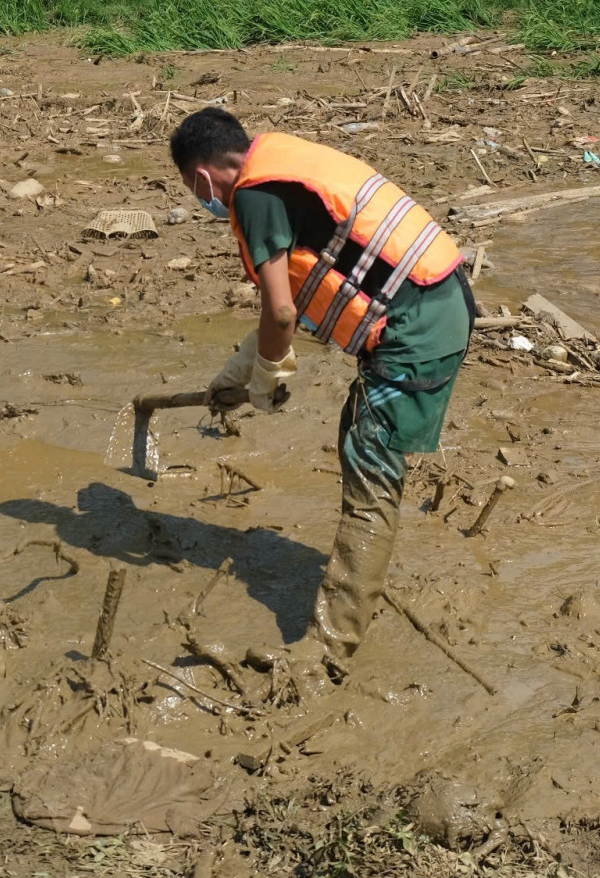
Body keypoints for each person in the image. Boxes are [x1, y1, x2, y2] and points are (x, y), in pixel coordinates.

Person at [168, 107, 474, 660]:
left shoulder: (253, 198)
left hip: (417, 326)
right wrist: (249, 363)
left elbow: (282, 314)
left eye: (195, 191)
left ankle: (330, 650)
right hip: (438, 297)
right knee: (357, 439)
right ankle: (353, 596)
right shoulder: (277, 161)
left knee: (369, 469)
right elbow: (315, 284)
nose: (202, 201)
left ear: (202, 177)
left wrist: (268, 371)